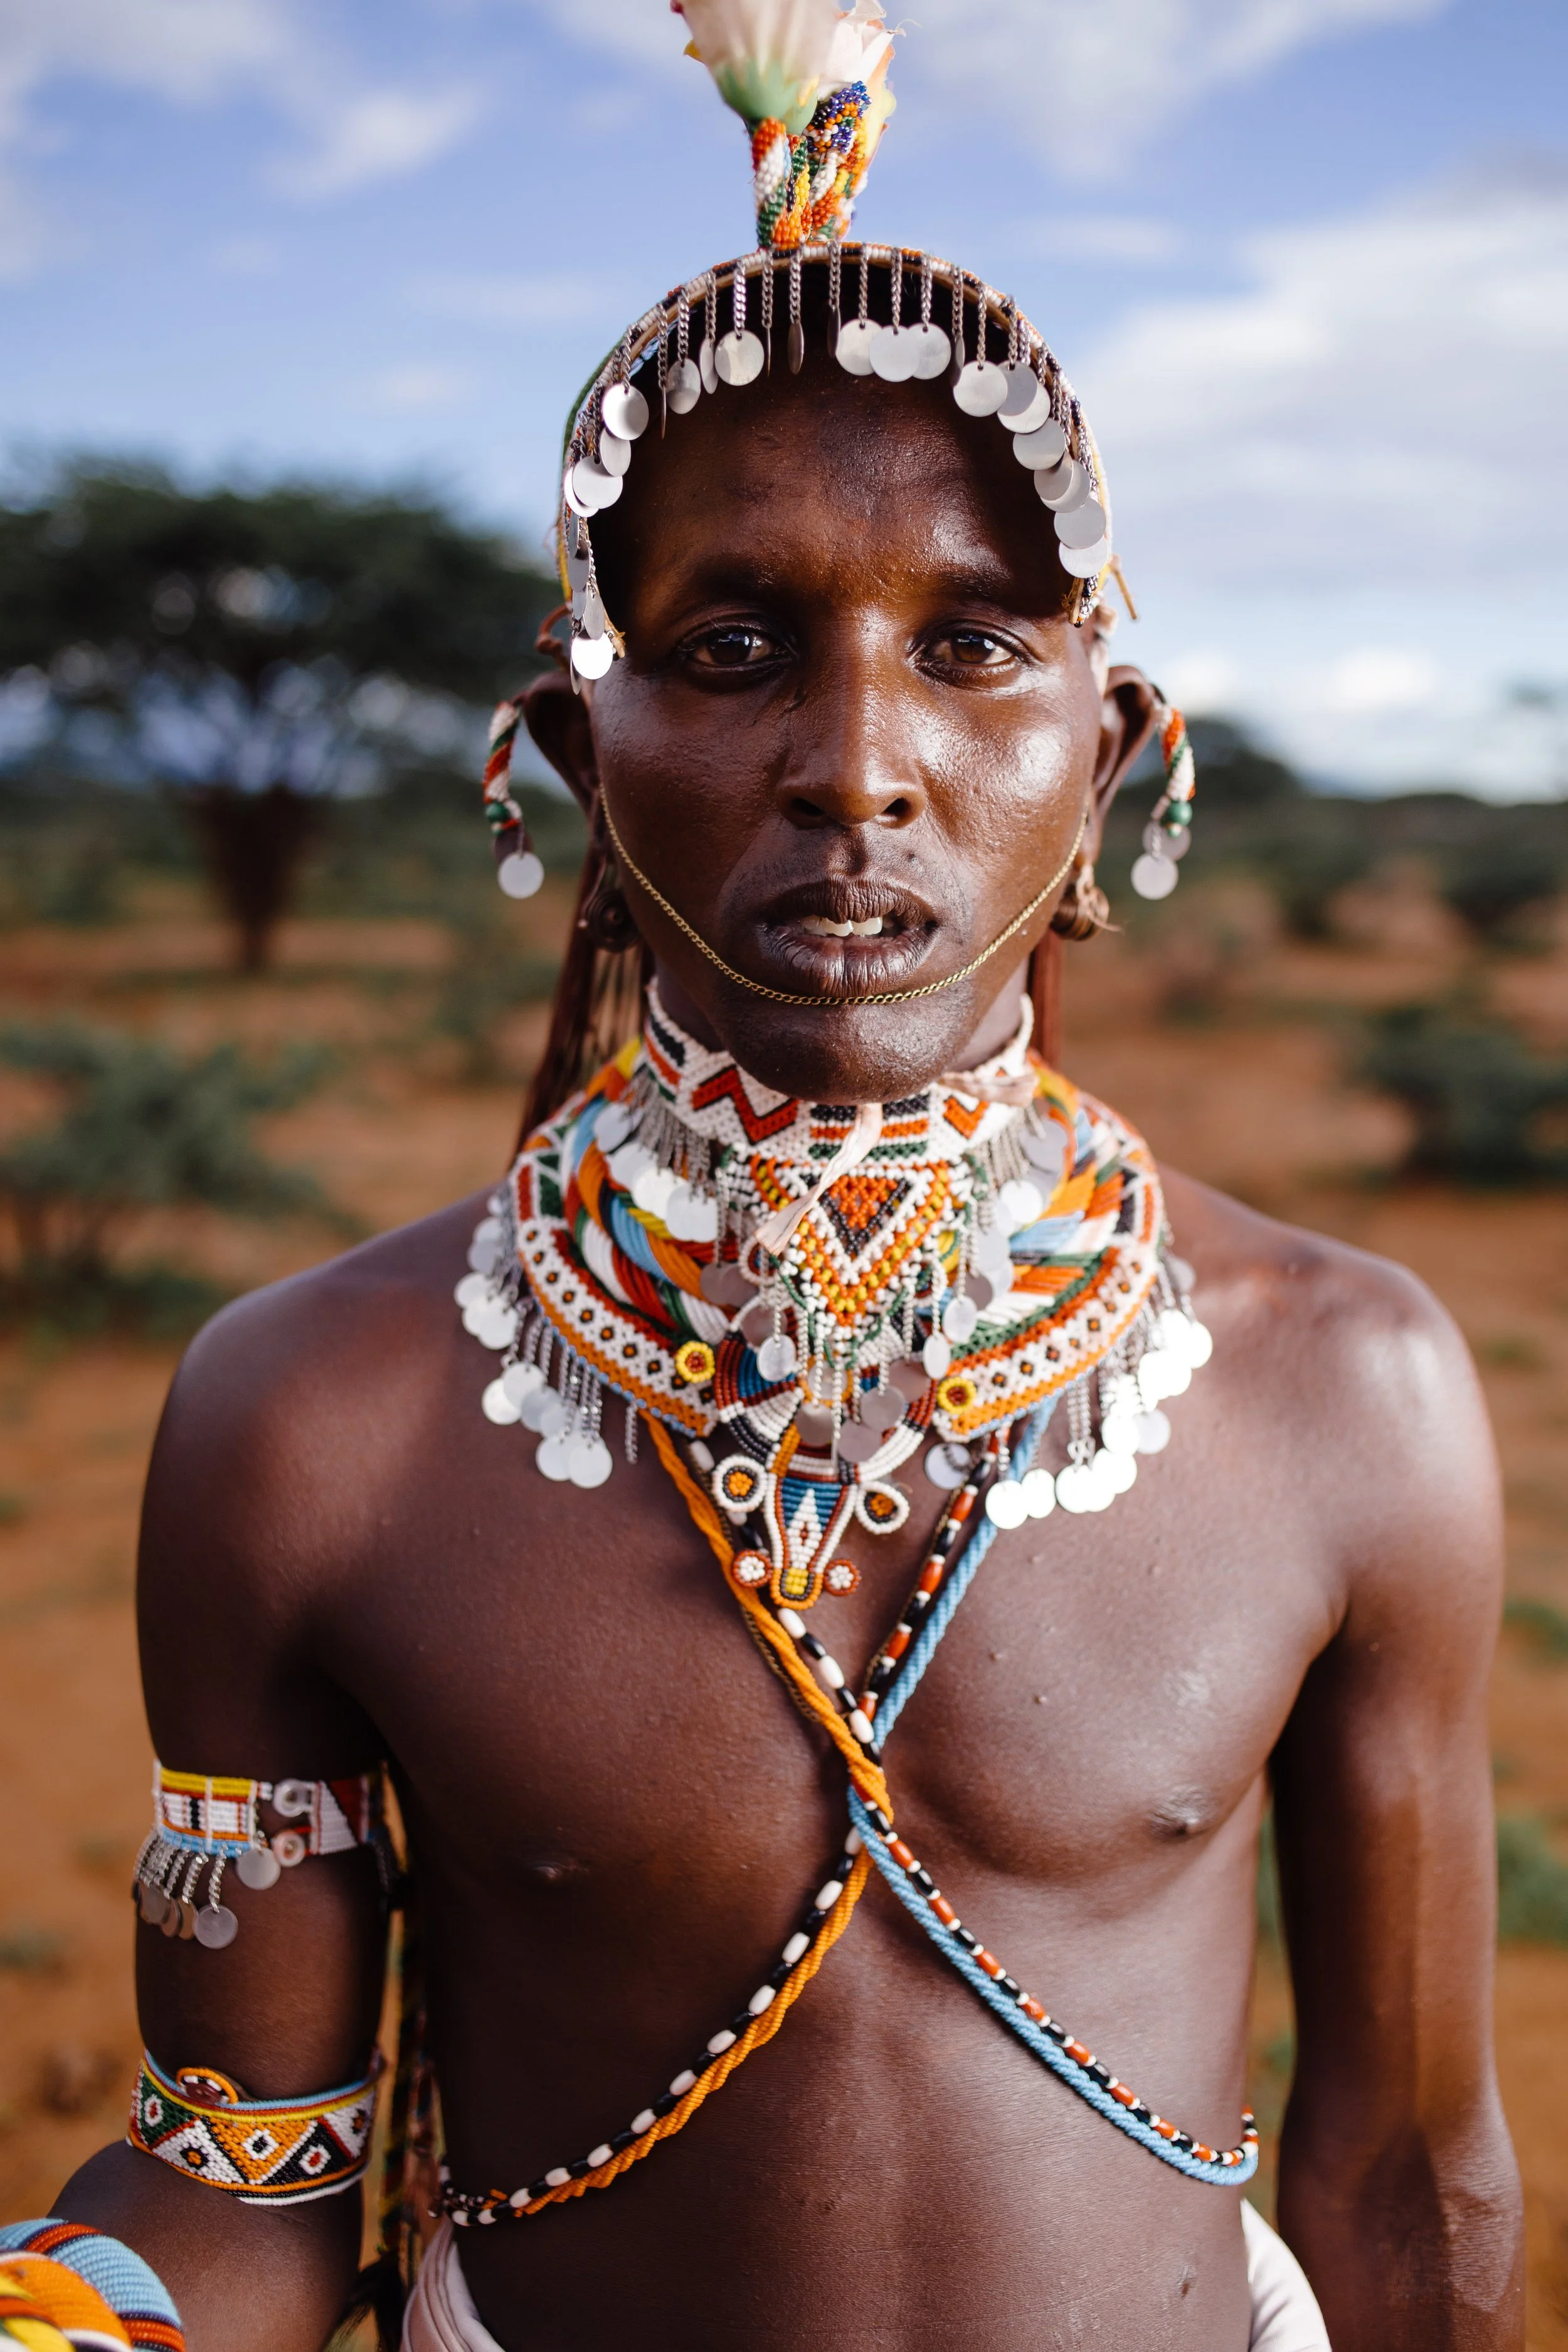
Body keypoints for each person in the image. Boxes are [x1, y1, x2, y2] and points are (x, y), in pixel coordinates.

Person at [32, 7, 1522, 2348]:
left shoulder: (1352, 1390)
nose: (856, 764)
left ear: (1111, 752)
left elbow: (1407, 2165)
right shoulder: (303, 1421)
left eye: (975, 645)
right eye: (730, 646)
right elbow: (242, 2178)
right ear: (571, 750)